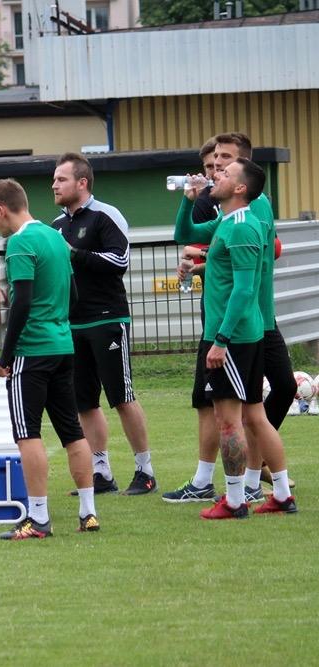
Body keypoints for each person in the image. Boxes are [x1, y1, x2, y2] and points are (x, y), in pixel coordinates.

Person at [165, 132, 296, 503]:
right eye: (214, 163)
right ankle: (277, 493)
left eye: (225, 164)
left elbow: (244, 285)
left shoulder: (242, 222)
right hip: (239, 327)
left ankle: (238, 497)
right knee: (252, 415)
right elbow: (184, 234)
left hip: (236, 331)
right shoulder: (227, 219)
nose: (215, 170)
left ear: (241, 183)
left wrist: (221, 339)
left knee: (230, 417)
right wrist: (188, 201)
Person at [0, 179, 100, 539]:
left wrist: (6, 356)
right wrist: (56, 321)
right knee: (72, 432)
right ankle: (88, 513)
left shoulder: (20, 242)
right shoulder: (54, 236)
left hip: (32, 352)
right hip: (63, 347)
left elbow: (21, 302)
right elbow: (73, 294)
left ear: (2, 209)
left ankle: (38, 519)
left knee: (27, 434)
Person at [51, 153, 157, 495]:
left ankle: (145, 471)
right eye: (54, 179)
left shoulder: (106, 215)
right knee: (84, 402)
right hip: (73, 323)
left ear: (82, 183)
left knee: (122, 396)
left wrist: (74, 253)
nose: (54, 185)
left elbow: (119, 259)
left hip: (108, 318)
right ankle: (101, 473)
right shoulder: (56, 225)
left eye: (61, 179)